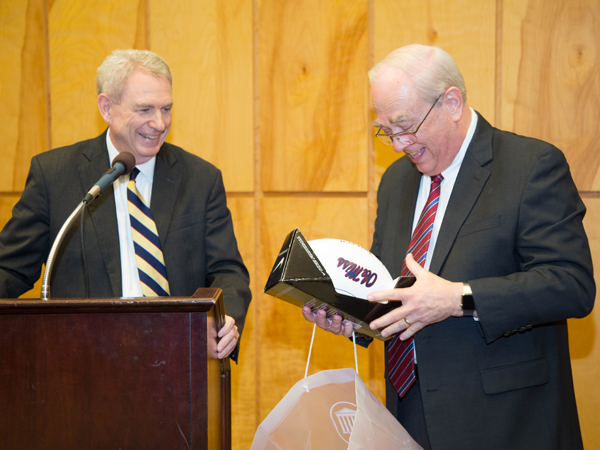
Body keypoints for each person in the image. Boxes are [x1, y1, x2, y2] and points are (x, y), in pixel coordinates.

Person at [303, 44, 595, 449]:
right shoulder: (395, 183)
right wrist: (354, 319)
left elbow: (571, 286)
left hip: (508, 423)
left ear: (452, 102)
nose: (398, 144)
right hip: (410, 419)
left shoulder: (530, 166)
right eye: (386, 130)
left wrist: (459, 298)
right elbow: (395, 295)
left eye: (404, 125)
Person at [0, 49, 251, 360]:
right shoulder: (55, 176)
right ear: (107, 107)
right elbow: (10, 267)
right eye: (145, 109)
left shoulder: (201, 179)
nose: (159, 123)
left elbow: (228, 270)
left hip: (181, 364)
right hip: (81, 366)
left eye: (166, 109)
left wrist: (228, 318)